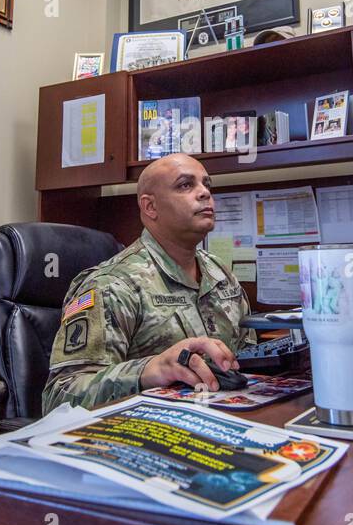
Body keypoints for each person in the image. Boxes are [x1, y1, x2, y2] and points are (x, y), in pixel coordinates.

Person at [41, 153, 255, 413]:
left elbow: (247, 360)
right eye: (185, 185)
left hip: (226, 418)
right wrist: (150, 370)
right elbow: (60, 398)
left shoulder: (221, 273)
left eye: (206, 184)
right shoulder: (111, 284)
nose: (204, 193)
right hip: (146, 433)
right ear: (150, 207)